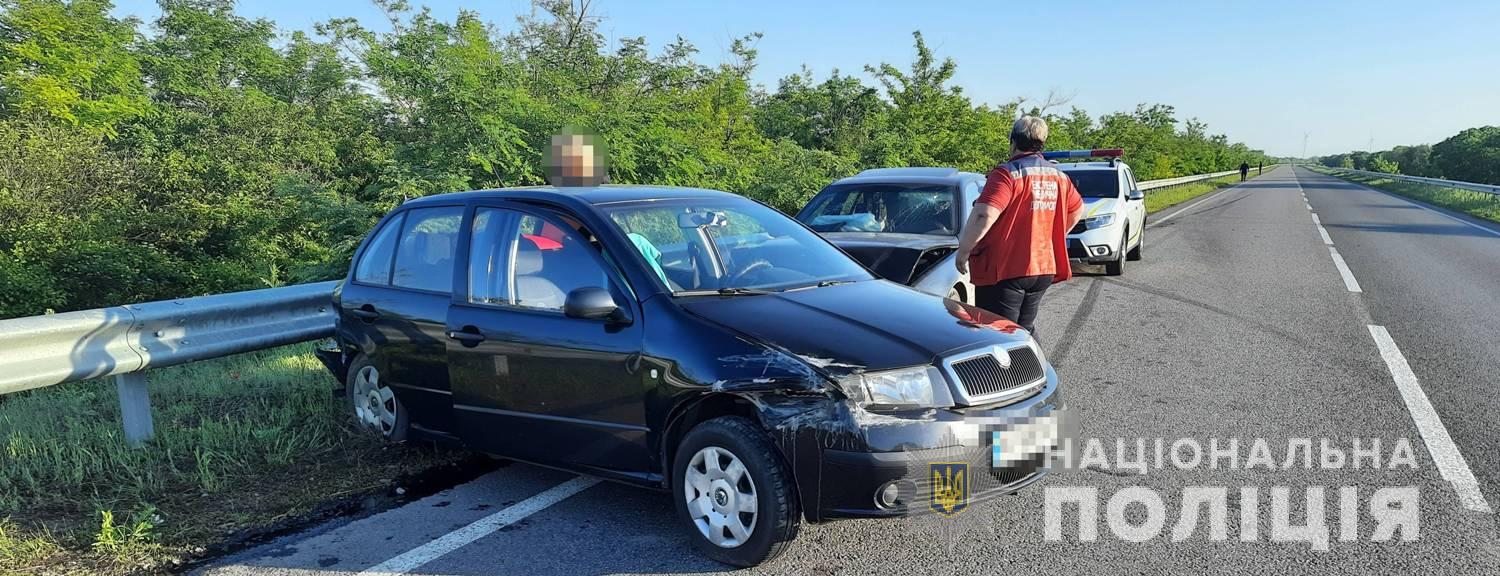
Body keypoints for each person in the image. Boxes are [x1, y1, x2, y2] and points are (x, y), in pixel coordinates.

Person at [954, 116, 1084, 336]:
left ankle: (1016, 359)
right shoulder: (1059, 176)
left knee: (998, 333)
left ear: (1013, 141)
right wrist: (1049, 238)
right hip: (1042, 267)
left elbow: (984, 214)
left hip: (1007, 269)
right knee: (1024, 330)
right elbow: (1078, 210)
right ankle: (1036, 359)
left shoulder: (1007, 174)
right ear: (1042, 143)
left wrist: (964, 250)